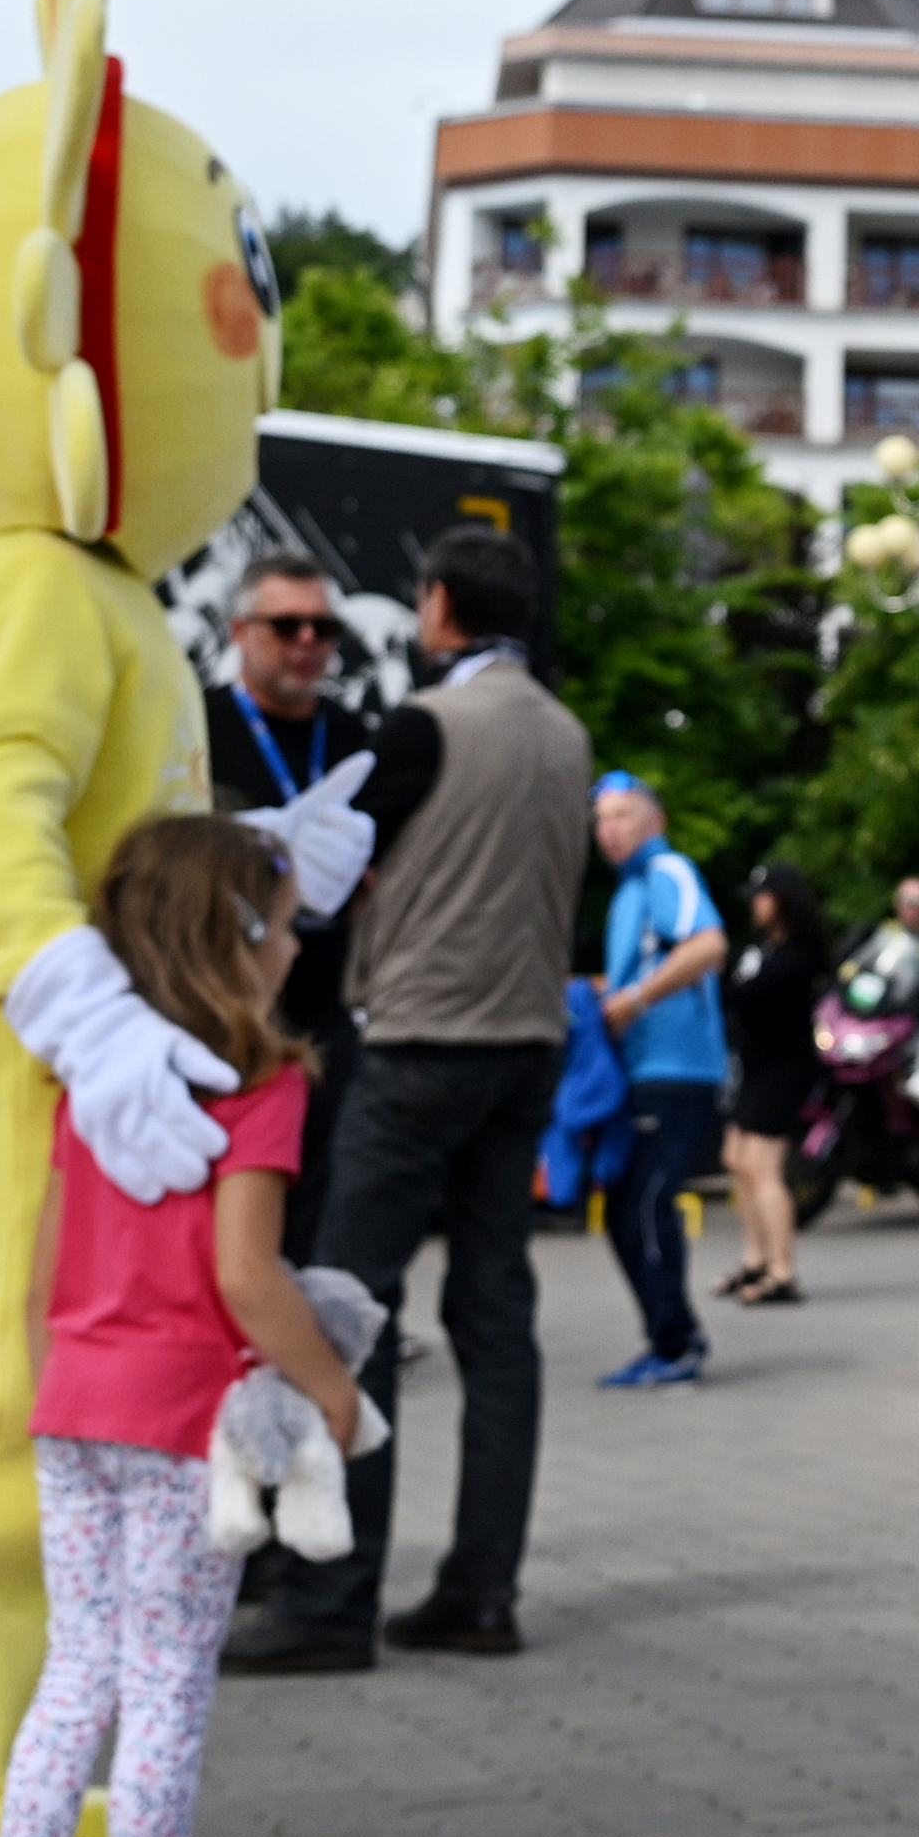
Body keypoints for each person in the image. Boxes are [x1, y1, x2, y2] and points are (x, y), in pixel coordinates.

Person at [0, 817, 352, 1837]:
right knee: (167, 1681)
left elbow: (47, 1265)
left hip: (75, 1405)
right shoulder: (259, 1080)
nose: (292, 946)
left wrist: (55, 1379)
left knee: (78, 1672)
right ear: (235, 935)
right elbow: (246, 1270)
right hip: (182, 1426)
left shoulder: (92, 1081)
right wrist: (327, 1384)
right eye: (279, 923)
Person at [233, 525, 590, 1674]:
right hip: (530, 1041)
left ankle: (332, 1599)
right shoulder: (569, 733)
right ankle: (481, 1590)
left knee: (348, 1305)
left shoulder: (427, 725)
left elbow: (329, 864)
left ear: (437, 607)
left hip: (422, 1040)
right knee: (497, 1320)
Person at [198, 555, 373, 1265]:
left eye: (324, 627)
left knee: (325, 1205)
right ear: (240, 631)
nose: (307, 641)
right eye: (286, 625)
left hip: (326, 1002)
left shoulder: (355, 734)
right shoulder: (199, 725)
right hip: (223, 1005)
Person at [590, 774, 728, 1392]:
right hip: (644, 1072)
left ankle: (674, 1347)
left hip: (677, 1071)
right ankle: (674, 1337)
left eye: (622, 814)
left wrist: (634, 1001)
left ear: (656, 820)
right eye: (601, 818)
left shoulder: (669, 870)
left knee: (641, 1205)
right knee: (628, 1207)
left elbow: (708, 945)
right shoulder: (628, 892)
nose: (608, 828)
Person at [714, 864, 826, 1307]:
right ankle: (756, 1258)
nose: (754, 904)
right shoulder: (761, 947)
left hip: (784, 1070)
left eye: (763, 895)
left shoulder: (798, 955)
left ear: (784, 900)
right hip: (755, 1067)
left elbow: (744, 995)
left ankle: (783, 1270)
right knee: (735, 1158)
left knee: (763, 1166)